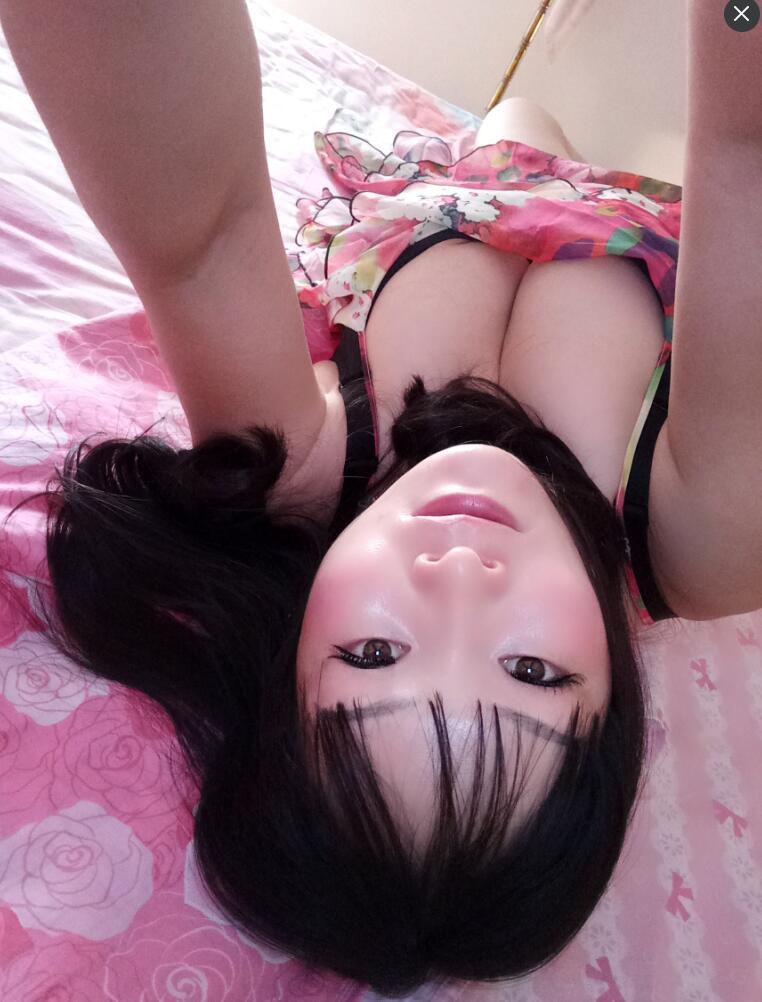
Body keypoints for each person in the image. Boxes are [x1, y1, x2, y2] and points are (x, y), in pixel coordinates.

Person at [3, 1, 761, 997]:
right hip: (612, 205)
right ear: (621, 711)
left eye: (371, 654)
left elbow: (202, 237)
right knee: (543, 121)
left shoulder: (303, 469)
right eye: (531, 671)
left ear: (292, 650)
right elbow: (746, 161)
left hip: (457, 187)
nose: (458, 578)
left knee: (508, 121)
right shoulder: (706, 539)